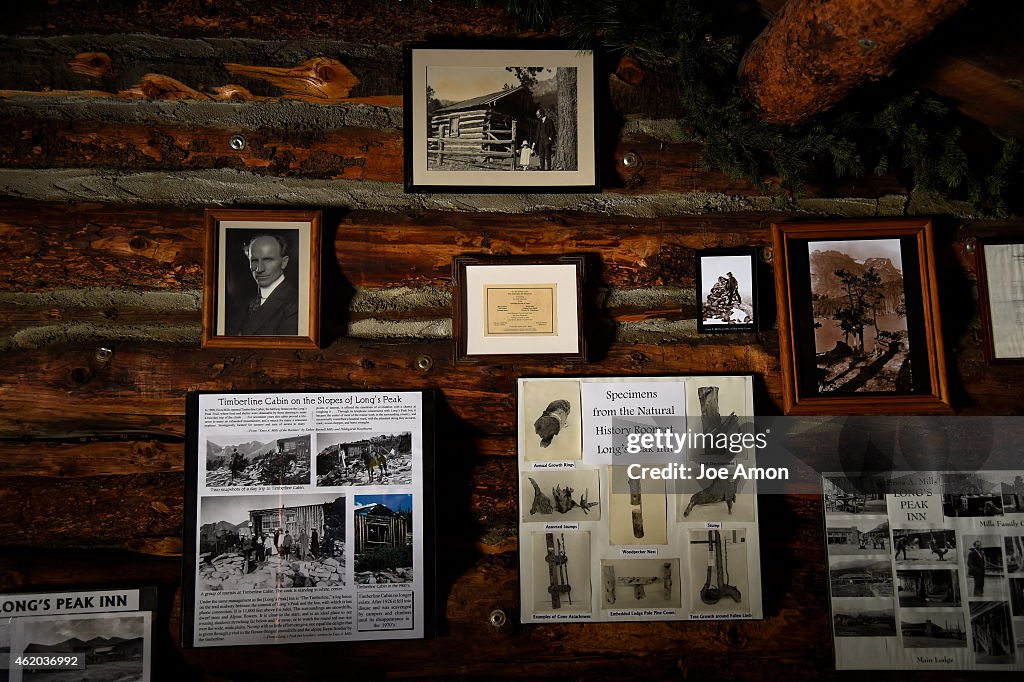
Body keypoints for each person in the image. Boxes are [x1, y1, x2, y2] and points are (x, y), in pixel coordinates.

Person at [230, 233, 299, 336]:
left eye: (268, 260)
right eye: (254, 260)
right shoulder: (246, 303)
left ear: (284, 262)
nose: (259, 269)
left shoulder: (295, 305)